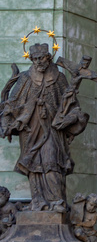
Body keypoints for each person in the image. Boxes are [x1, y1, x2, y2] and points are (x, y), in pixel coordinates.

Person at [0, 43, 88, 210]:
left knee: (52, 160)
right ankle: (38, 201)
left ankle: (57, 201)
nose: (38, 62)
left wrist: (71, 115)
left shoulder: (59, 78)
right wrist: (7, 121)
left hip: (52, 129)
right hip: (30, 129)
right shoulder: (25, 78)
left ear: (48, 57)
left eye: (41, 58)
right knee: (33, 164)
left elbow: (69, 103)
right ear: (31, 60)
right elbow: (11, 103)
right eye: (34, 59)